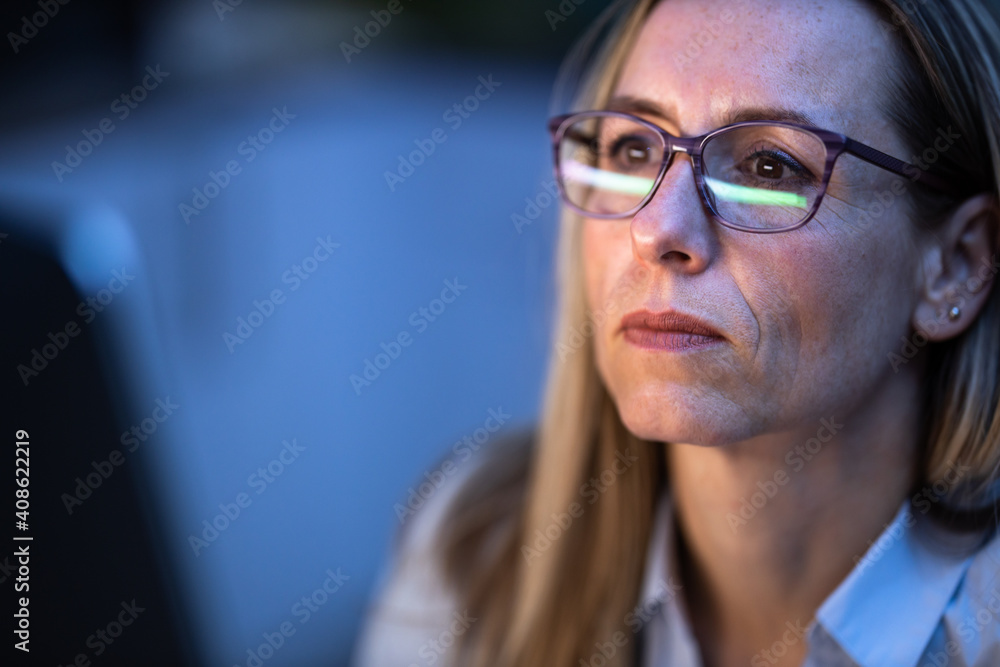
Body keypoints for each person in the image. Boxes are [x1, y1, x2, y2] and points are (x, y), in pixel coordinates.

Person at [353, 0, 1000, 665]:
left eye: (771, 166)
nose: (657, 229)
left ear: (956, 265)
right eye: (633, 150)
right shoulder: (473, 551)